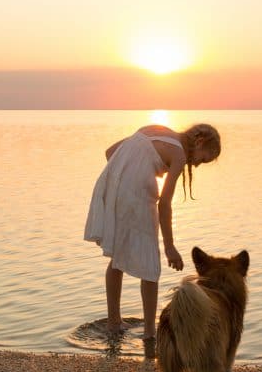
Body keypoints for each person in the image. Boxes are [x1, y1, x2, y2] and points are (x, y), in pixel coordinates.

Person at [83, 122, 222, 349]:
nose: (196, 165)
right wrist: (170, 246)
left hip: (112, 187)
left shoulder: (155, 129)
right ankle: (150, 332)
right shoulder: (178, 154)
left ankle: (113, 323)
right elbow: (165, 203)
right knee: (150, 263)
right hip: (134, 195)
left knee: (117, 257)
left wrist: (129, 174)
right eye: (203, 159)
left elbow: (110, 153)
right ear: (199, 142)